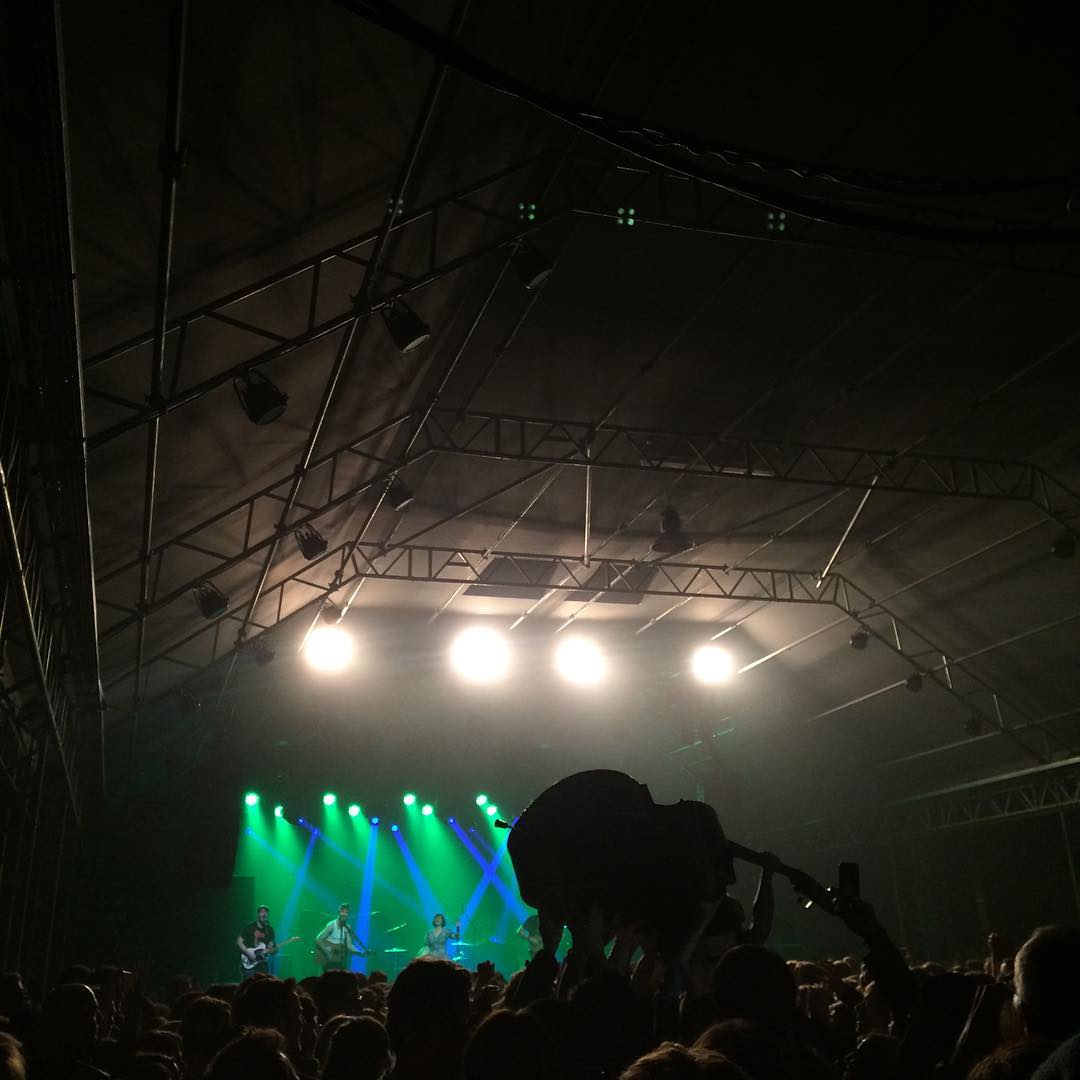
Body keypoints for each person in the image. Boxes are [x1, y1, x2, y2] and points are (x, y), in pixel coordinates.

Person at [315, 904, 367, 971]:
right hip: (328, 960)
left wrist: (359, 952)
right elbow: (318, 939)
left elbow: (349, 945)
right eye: (343, 912)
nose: (344, 914)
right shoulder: (332, 925)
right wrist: (327, 951)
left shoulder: (347, 927)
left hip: (339, 959)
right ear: (339, 912)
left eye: (346, 912)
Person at [236, 905, 277, 977]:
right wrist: (248, 953)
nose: (264, 914)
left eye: (266, 912)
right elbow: (239, 941)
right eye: (262, 912)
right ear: (258, 914)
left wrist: (273, 950)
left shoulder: (269, 930)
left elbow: (272, 946)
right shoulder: (250, 927)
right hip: (249, 963)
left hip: (262, 964)